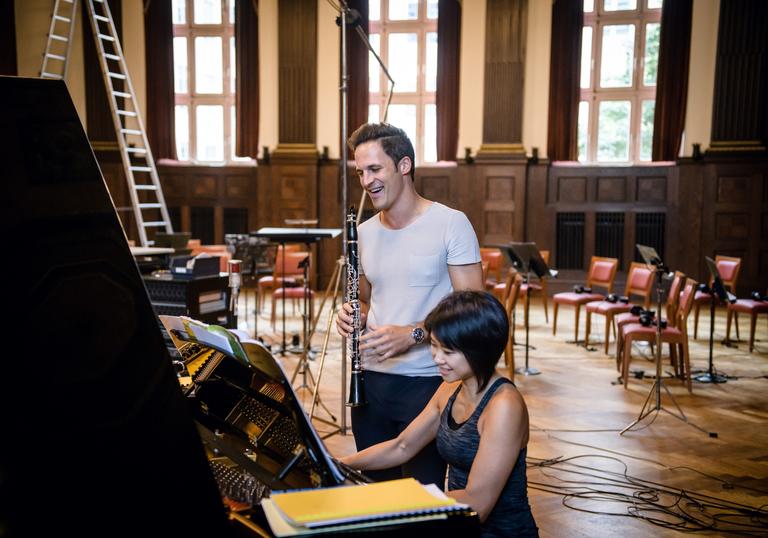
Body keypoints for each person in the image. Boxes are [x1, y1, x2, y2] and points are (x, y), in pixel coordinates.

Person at [336, 122, 483, 486]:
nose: (367, 181)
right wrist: (351, 315)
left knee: (421, 496)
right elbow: (368, 301)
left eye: (374, 169)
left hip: (429, 383)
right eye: (360, 173)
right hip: (369, 382)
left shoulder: (451, 224)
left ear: (404, 165)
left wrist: (415, 333)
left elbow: (473, 311)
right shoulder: (364, 233)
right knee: (373, 495)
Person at [340, 291, 538, 538]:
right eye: (434, 346)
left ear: (480, 350)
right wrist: (338, 465)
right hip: (457, 524)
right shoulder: (450, 388)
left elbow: (478, 502)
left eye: (448, 351)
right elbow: (401, 446)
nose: (437, 358)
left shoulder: (504, 406)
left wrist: (392, 502)